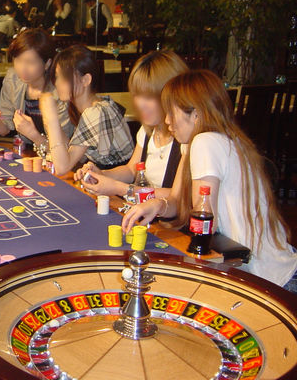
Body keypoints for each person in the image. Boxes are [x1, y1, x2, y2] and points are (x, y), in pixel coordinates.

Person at [122, 70, 297, 292]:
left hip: (272, 280)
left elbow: (205, 222)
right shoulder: (218, 138)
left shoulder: (205, 142)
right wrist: (158, 204)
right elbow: (177, 201)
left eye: (171, 113)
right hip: (277, 267)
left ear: (196, 114)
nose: (167, 121)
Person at [75, 50, 188, 198]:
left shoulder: (187, 140)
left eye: (148, 97)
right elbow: (131, 170)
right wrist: (100, 174)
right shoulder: (148, 130)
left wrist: (119, 188)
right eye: (137, 95)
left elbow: (178, 197)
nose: (140, 104)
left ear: (171, 95)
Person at [40, 45, 133, 175]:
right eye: (57, 76)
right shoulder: (100, 103)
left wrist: (52, 120)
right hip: (106, 178)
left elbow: (62, 168)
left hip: (119, 182)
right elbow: (72, 153)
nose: (57, 83)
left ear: (86, 80)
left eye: (64, 77)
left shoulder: (96, 112)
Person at [0, 29, 72, 146]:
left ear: (47, 63)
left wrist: (32, 134)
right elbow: (5, 129)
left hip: (57, 153)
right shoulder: (13, 80)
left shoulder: (61, 91)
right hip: (27, 151)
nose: (22, 68)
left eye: (30, 62)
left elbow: (64, 148)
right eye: (18, 60)